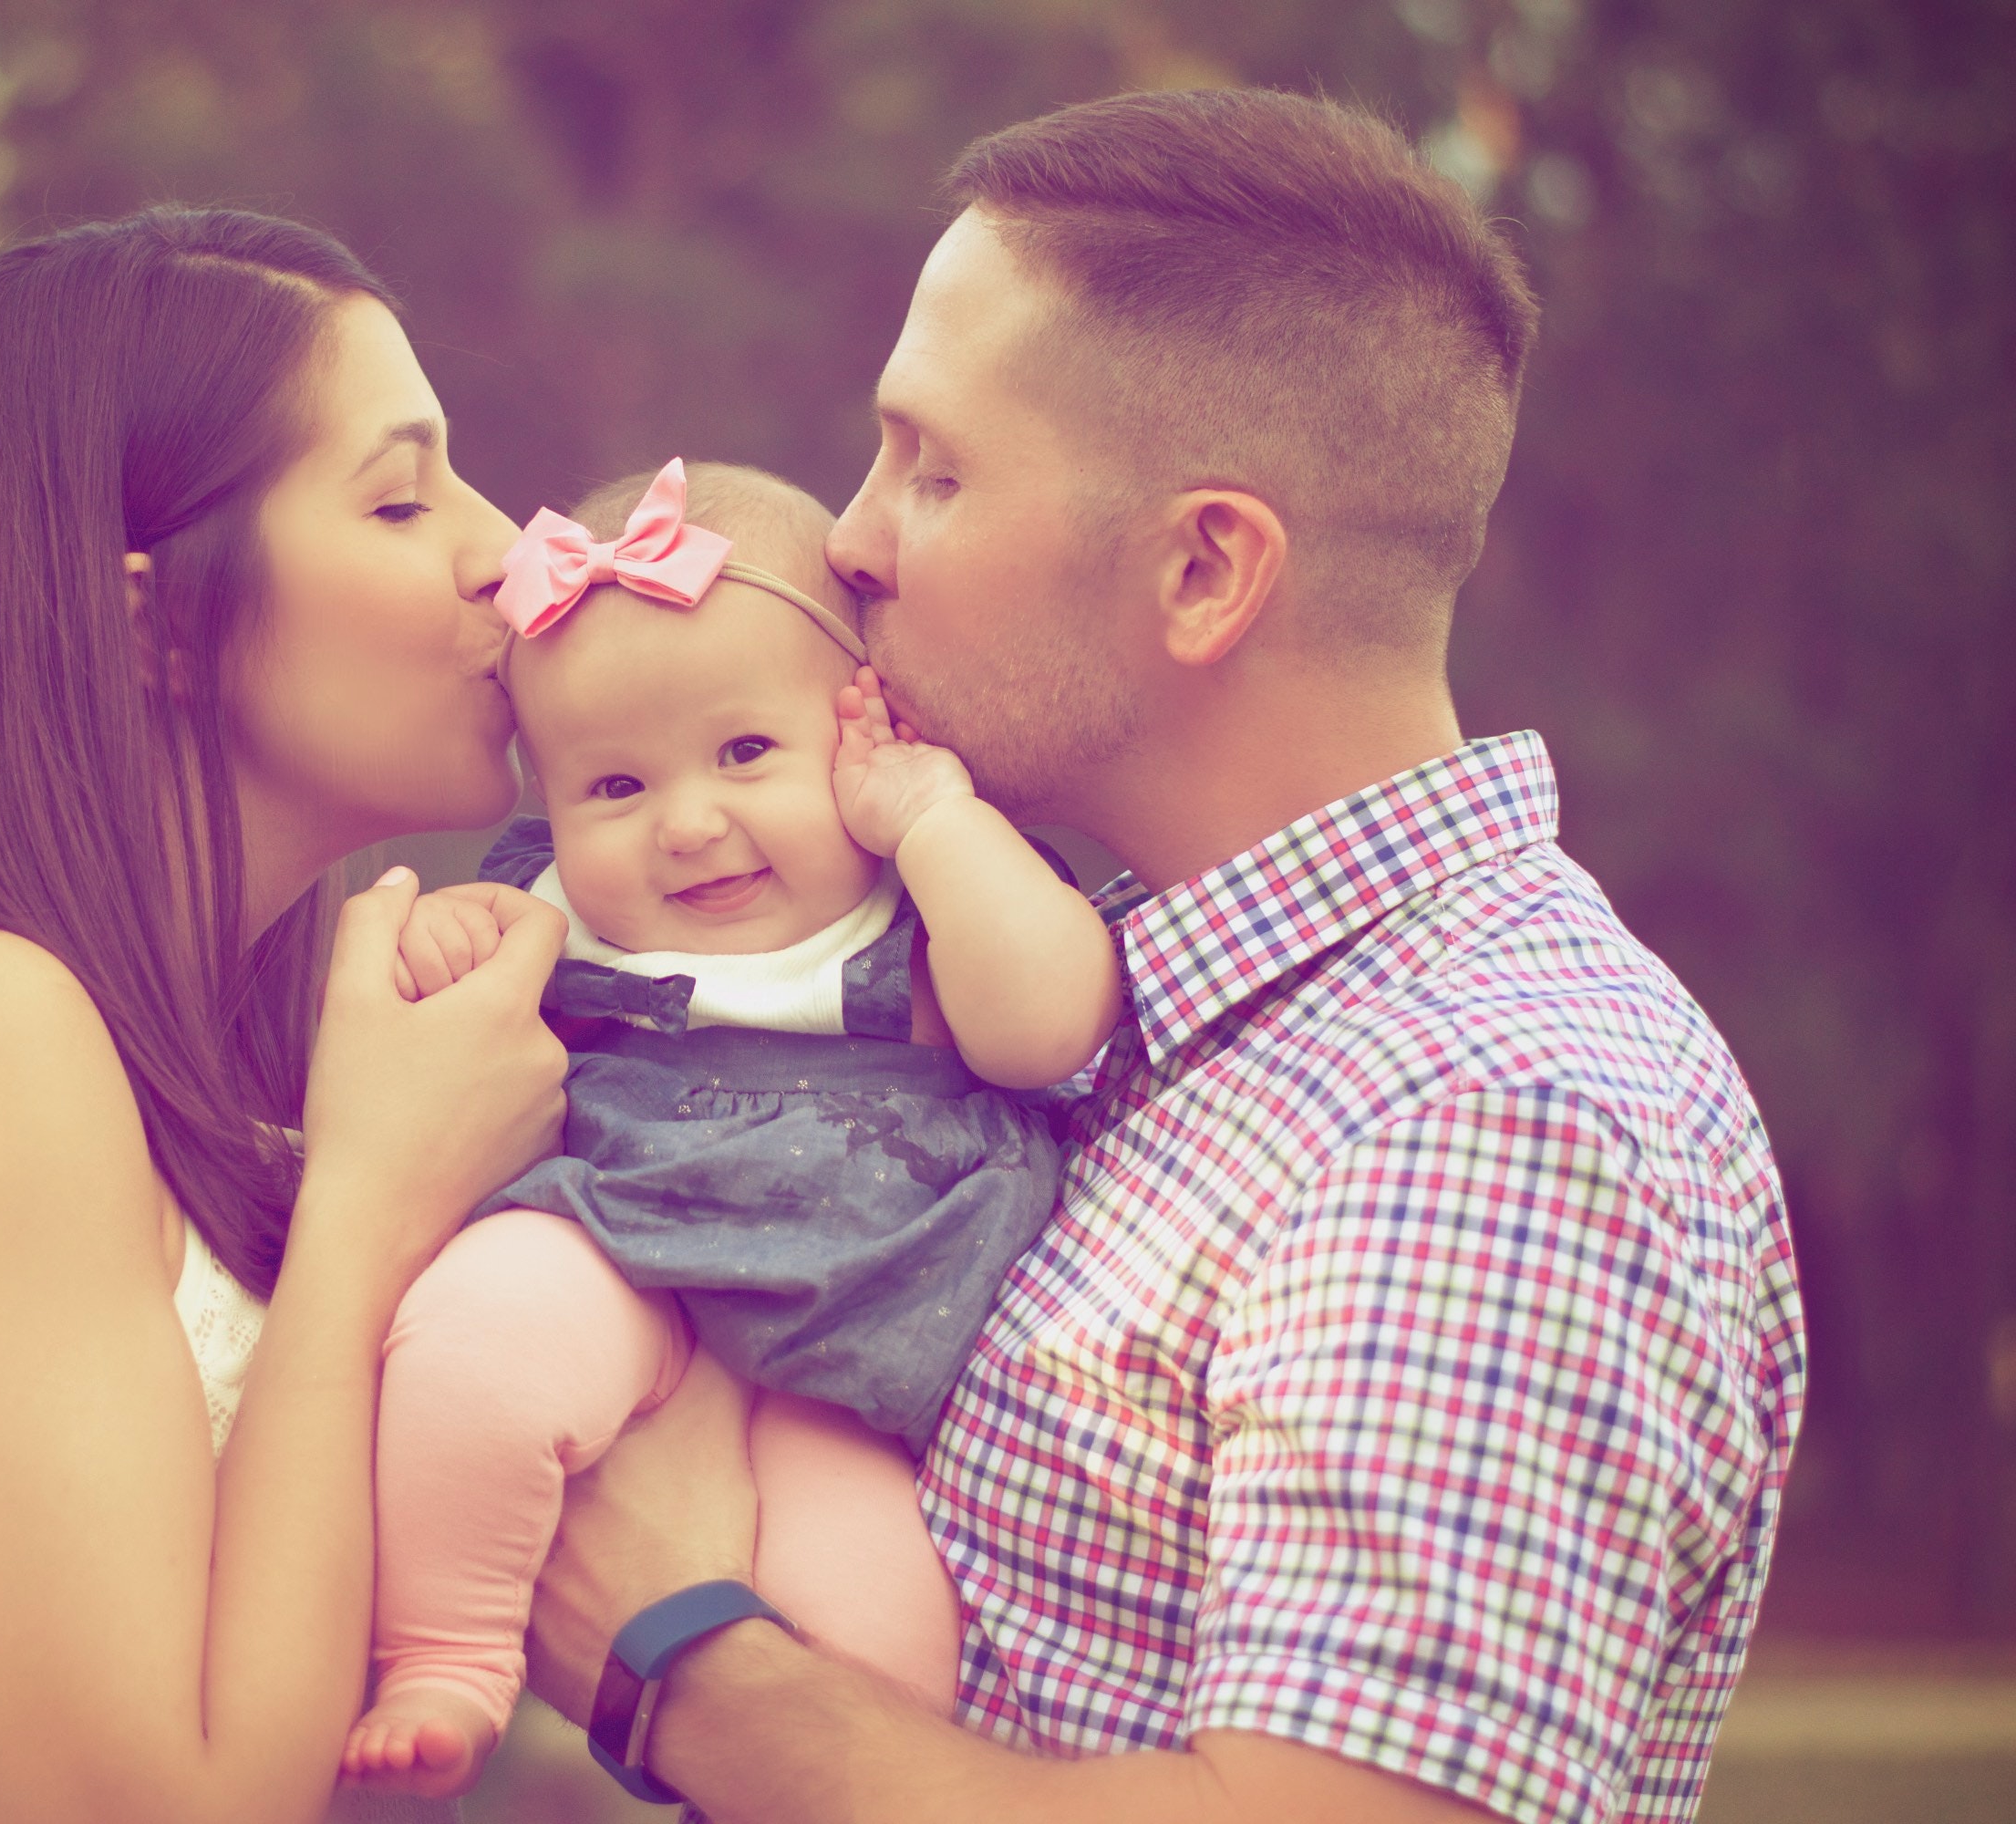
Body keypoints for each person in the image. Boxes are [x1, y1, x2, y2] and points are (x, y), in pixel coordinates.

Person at [525, 88, 1806, 1824]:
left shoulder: (1493, 1112)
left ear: (1204, 568)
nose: (849, 539)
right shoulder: (1115, 1001)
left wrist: (686, 1662)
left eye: (936, 467)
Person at [0, 207, 569, 1824]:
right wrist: (366, 1205)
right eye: (403, 497)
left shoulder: (173, 1055)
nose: (508, 548)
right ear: (153, 620)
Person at [339, 460, 1119, 1797]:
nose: (690, 825)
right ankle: (451, 1651)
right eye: (615, 788)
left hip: (858, 1354)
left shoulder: (927, 888)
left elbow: (1051, 1028)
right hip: (621, 1248)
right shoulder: (553, 910)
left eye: (747, 754)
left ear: (865, 724)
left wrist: (933, 818)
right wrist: (445, 944)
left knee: (878, 1646)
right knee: (469, 1352)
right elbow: (456, 1040)